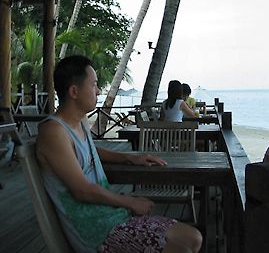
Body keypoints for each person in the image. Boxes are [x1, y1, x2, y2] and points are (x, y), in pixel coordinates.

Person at [36, 56, 202, 253]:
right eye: (94, 85)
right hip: (96, 232)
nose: (98, 91)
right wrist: (131, 201)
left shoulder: (78, 122)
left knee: (194, 238)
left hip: (112, 216)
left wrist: (129, 157)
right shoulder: (53, 131)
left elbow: (87, 151)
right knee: (182, 249)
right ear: (74, 91)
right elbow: (81, 190)